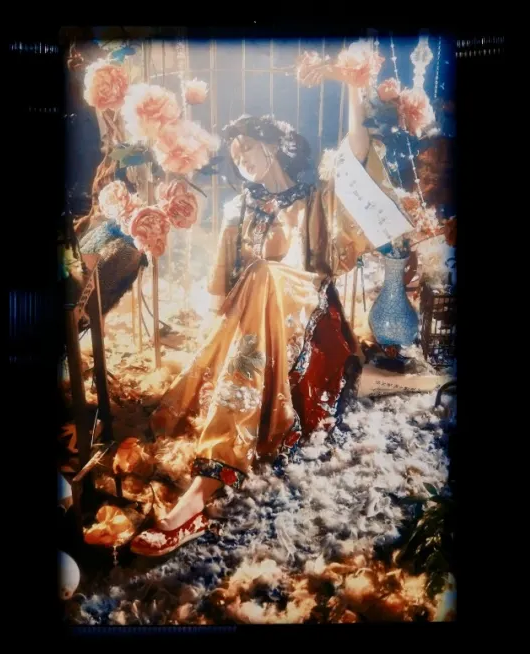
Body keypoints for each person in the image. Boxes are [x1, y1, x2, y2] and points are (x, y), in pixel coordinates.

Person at [130, 60, 413, 557]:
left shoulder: (317, 195)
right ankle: (216, 456)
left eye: (247, 149)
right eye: (234, 155)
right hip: (255, 320)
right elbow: (222, 283)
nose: (240, 160)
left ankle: (202, 490)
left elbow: (356, 151)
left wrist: (351, 86)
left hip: (309, 317)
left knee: (263, 273)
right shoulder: (239, 208)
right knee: (257, 279)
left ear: (273, 146)